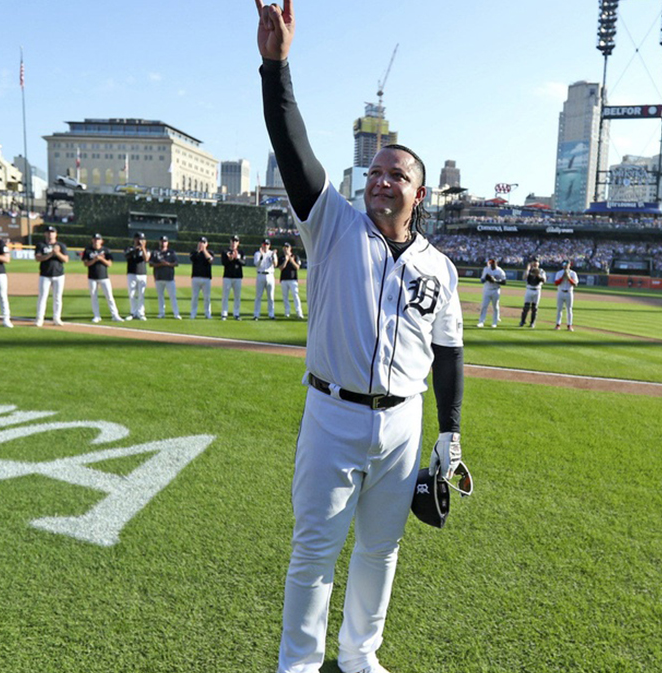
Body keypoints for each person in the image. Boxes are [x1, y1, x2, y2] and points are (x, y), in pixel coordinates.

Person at [256, 3, 466, 672]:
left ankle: (359, 654)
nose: (381, 179)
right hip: (332, 411)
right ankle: (298, 661)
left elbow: (449, 351)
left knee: (381, 551)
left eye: (396, 173)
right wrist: (275, 65)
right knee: (314, 551)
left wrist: (450, 431)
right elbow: (292, 145)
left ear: (420, 192)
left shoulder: (439, 266)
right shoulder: (333, 225)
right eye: (375, 171)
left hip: (405, 421)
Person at [82, 233, 124, 323]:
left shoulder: (106, 250)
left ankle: (115, 315)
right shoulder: (88, 250)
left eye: (98, 239)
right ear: (92, 240)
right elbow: (86, 264)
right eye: (95, 239)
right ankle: (96, 316)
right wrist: (95, 259)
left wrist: (101, 259)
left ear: (101, 241)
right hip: (92, 277)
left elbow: (109, 264)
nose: (96, 241)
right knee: (94, 296)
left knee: (109, 296)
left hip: (104, 277)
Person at [34, 226, 70, 327]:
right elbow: (38, 258)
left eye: (52, 232)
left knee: (58, 297)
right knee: (42, 297)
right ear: (45, 234)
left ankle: (57, 318)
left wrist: (57, 253)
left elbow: (66, 259)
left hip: (59, 275)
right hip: (45, 275)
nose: (50, 234)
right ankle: (40, 318)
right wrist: (50, 254)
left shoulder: (61, 245)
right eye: (48, 232)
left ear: (56, 234)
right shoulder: (41, 245)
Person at [152, 236, 183, 319]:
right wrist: (161, 264)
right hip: (159, 277)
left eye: (165, 241)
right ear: (159, 242)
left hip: (169, 278)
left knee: (173, 296)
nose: (163, 243)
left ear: (167, 242)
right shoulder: (155, 252)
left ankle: (176, 313)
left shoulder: (171, 252)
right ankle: (161, 313)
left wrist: (168, 264)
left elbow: (176, 263)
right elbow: (151, 264)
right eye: (162, 241)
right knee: (160, 296)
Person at [125, 232, 151, 321]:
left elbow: (146, 259)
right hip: (131, 273)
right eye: (139, 239)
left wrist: (143, 248)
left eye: (142, 239)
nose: (140, 241)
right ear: (135, 239)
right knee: (132, 294)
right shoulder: (129, 248)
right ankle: (133, 312)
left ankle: (141, 313)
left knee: (141, 294)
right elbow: (127, 256)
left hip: (142, 274)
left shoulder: (146, 250)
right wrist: (136, 248)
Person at [186, 236, 212, 319]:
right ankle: (193, 313)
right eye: (200, 242)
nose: (201, 244)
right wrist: (198, 250)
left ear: (206, 244)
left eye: (203, 242)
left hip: (206, 278)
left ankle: (207, 313)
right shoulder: (194, 252)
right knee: (194, 297)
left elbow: (210, 259)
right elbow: (192, 258)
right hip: (196, 277)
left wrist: (204, 250)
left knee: (207, 297)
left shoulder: (210, 252)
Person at [476, 258, 506, 328]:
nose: (492, 264)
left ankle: (494, 323)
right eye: (491, 263)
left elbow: (504, 282)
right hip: (487, 290)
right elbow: (482, 280)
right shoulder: (486, 269)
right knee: (484, 306)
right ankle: (481, 322)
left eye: (493, 262)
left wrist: (495, 281)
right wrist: (486, 279)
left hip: (496, 290)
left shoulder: (500, 271)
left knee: (495, 307)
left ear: (496, 263)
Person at [254, 238, 279, 320]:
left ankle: (271, 314)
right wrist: (261, 256)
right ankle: (256, 314)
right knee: (258, 296)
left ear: (269, 245)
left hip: (270, 275)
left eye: (267, 244)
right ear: (262, 245)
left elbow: (275, 264)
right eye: (264, 244)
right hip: (260, 274)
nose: (265, 246)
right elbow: (257, 264)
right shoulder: (257, 253)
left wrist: (272, 257)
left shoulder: (272, 253)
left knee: (271, 297)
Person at [221, 234, 245, 320]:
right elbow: (223, 263)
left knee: (237, 296)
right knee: (225, 296)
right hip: (227, 276)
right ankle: (224, 313)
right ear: (230, 241)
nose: (234, 243)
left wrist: (237, 258)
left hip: (237, 276)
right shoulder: (225, 251)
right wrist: (230, 259)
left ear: (238, 243)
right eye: (233, 241)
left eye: (236, 241)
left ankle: (236, 313)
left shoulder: (241, 252)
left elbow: (243, 263)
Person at [279, 241, 304, 319]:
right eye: (284, 247)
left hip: (293, 279)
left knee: (295, 295)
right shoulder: (281, 257)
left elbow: (297, 267)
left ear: (290, 248)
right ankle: (287, 312)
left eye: (287, 247)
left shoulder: (295, 256)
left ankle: (299, 312)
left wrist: (292, 260)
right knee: (285, 296)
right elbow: (280, 268)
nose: (286, 249)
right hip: (284, 279)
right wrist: (286, 260)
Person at [518, 258, 544, 328]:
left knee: (534, 308)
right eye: (534, 262)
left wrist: (537, 274)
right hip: (529, 289)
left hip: (537, 290)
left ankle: (532, 323)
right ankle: (522, 321)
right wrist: (527, 269)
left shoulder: (541, 271)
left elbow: (544, 280)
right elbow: (524, 277)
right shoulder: (529, 270)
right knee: (526, 307)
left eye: (537, 262)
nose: (535, 263)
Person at [554, 259, 578, 331]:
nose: (566, 265)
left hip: (569, 292)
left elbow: (575, 284)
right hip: (560, 292)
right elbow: (556, 283)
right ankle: (558, 324)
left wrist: (569, 278)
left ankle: (569, 325)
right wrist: (562, 277)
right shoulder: (559, 273)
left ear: (570, 265)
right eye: (564, 264)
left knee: (569, 309)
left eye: (567, 264)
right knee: (559, 309)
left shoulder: (573, 273)